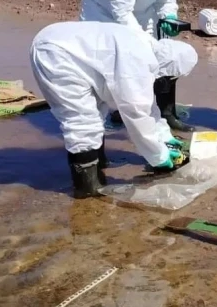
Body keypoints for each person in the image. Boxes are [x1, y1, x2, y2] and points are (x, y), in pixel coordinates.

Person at [30, 21, 198, 199]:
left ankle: (98, 162)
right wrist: (159, 157)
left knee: (96, 109)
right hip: (56, 54)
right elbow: (137, 114)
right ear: (169, 68)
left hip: (64, 44)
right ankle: (87, 188)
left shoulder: (147, 48)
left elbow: (148, 106)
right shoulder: (137, 62)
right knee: (81, 120)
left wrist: (165, 136)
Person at [79, 0, 193, 132]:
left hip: (142, 9)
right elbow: (122, 13)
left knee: (161, 55)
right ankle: (116, 113)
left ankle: (166, 113)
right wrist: (145, 43)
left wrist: (169, 17)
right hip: (102, 9)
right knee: (109, 61)